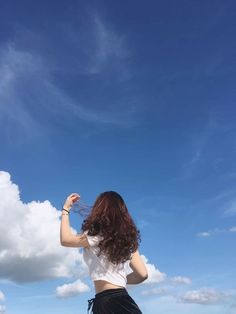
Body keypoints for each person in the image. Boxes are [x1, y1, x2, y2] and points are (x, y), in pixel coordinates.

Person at [60, 191, 148, 313]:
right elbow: (142, 275)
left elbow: (65, 240)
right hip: (123, 301)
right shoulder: (129, 240)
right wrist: (120, 279)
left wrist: (65, 209)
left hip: (104, 302)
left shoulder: (95, 236)